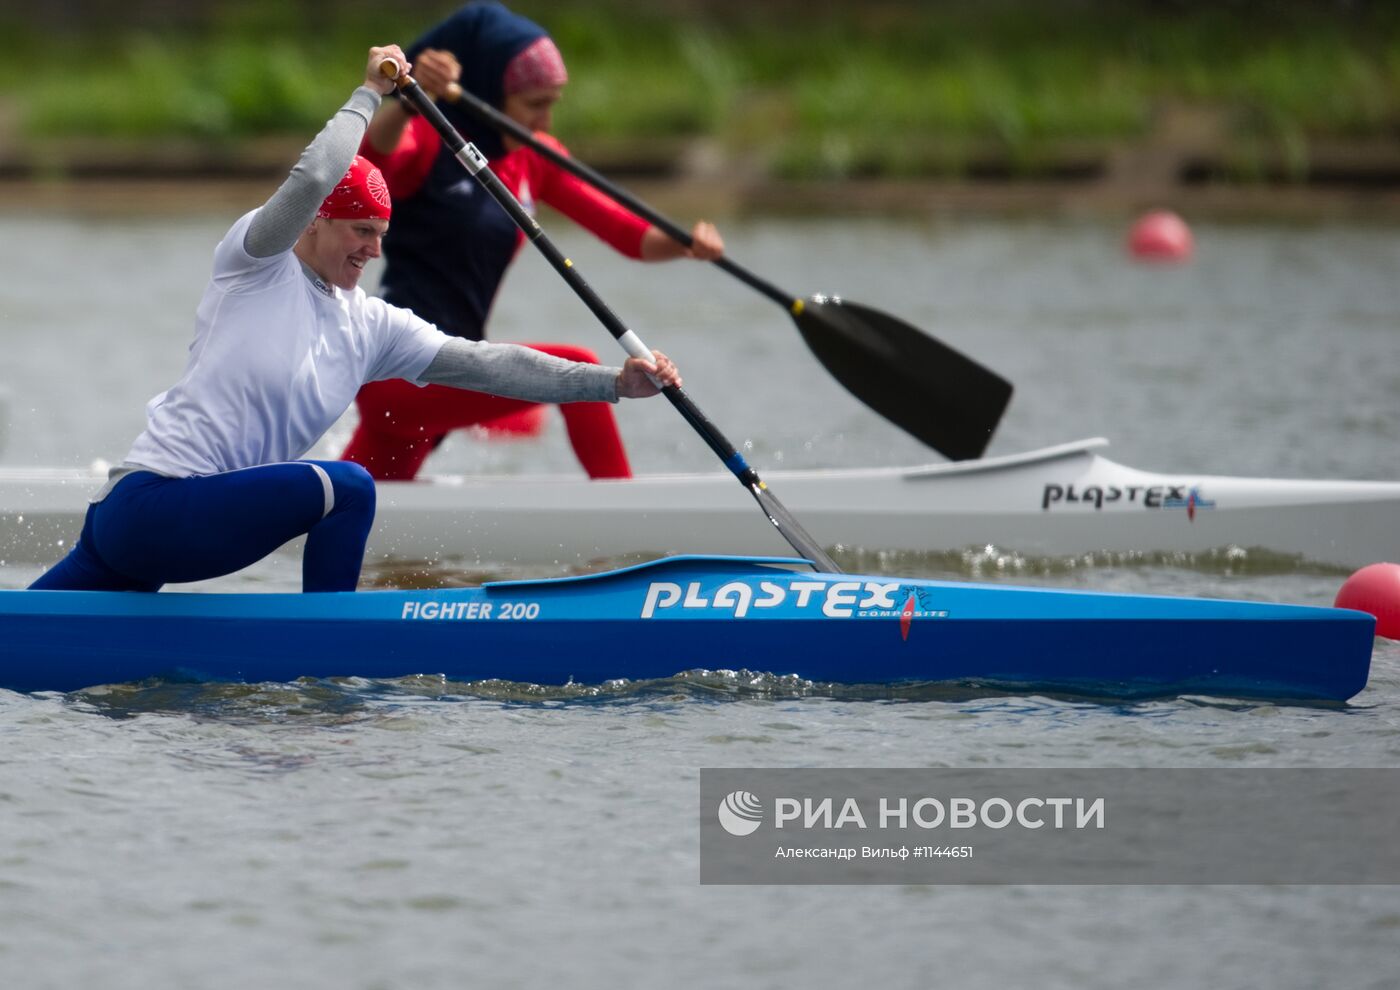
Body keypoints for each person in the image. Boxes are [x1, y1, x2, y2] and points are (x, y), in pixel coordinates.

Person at [29, 45, 680, 594]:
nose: (374, 249)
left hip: (164, 533)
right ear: (317, 223)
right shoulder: (255, 262)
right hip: (148, 509)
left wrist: (610, 383)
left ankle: (322, 640)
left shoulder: (370, 326)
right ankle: (328, 653)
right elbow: (314, 175)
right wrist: (368, 94)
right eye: (360, 231)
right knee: (348, 488)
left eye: (383, 234)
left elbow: (490, 366)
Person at [340, 0, 722, 482]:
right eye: (533, 104)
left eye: (552, 103)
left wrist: (688, 243)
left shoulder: (533, 158)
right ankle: (628, 518)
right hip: (399, 374)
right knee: (579, 369)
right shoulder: (430, 140)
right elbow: (372, 154)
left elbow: (631, 236)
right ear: (490, 94)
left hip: (456, 372)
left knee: (344, 512)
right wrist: (406, 102)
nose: (545, 120)